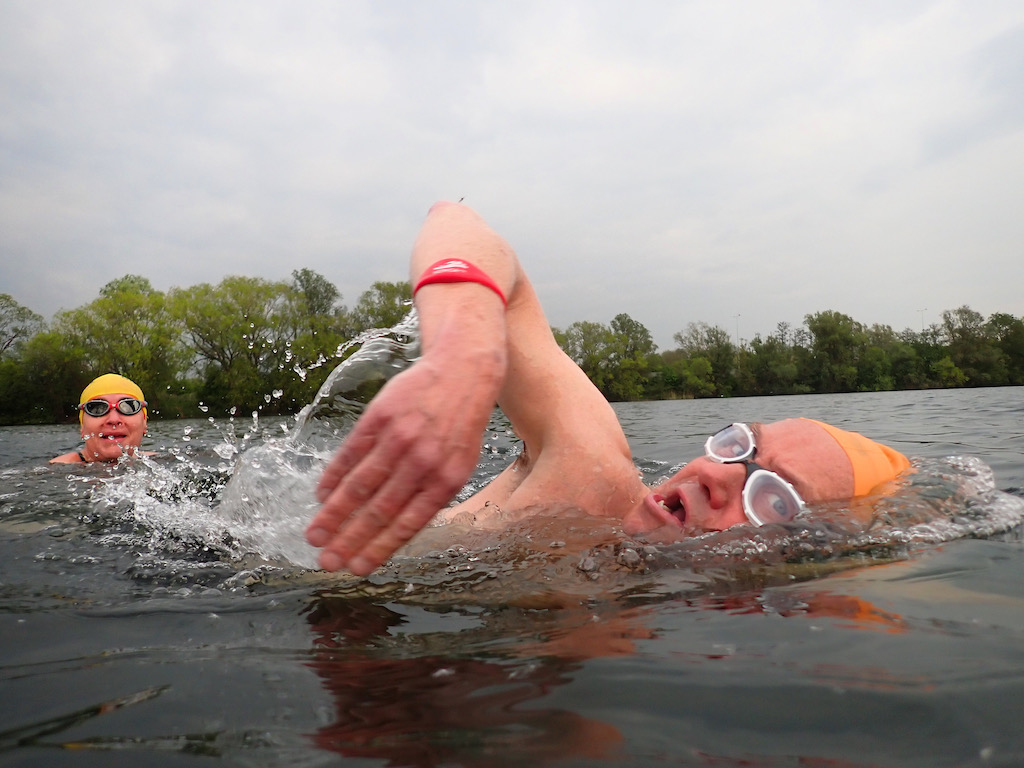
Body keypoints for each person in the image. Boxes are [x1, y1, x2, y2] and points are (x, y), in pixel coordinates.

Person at [305, 202, 910, 576]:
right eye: (737, 447)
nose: (716, 475)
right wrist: (464, 348)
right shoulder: (588, 476)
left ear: (803, 554)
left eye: (773, 498)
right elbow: (454, 219)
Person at [51, 373, 149, 464]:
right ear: (82, 427)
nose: (113, 420)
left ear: (144, 422)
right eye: (97, 409)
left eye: (128, 407)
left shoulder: (158, 462)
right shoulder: (54, 472)